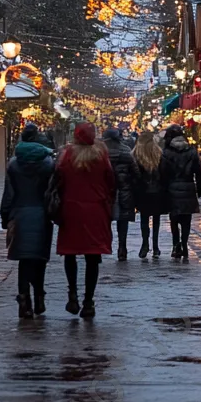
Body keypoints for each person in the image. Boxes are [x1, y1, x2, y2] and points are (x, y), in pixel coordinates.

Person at [54, 121, 114, 318]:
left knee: (70, 254)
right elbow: (111, 180)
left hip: (71, 208)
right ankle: (88, 301)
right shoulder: (101, 155)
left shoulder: (67, 155)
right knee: (92, 257)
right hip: (95, 209)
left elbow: (58, 179)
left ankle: (72, 293)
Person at [0, 123, 55, 319]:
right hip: (41, 215)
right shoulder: (48, 163)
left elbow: (9, 194)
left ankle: (24, 299)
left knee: (24, 261)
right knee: (40, 259)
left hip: (20, 215)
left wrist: (5, 216)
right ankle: (39, 296)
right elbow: (52, 193)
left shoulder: (14, 164)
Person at [160, 124, 201, 261]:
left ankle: (176, 244)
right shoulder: (191, 151)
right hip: (188, 188)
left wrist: (163, 189)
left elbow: (162, 173)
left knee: (174, 219)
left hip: (172, 189)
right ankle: (184, 244)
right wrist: (199, 189)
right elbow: (199, 172)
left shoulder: (166, 152)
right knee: (186, 220)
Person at [102, 126, 136, 260]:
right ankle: (122, 247)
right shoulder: (126, 152)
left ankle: (106, 244)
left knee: (105, 219)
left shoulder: (100, 152)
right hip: (124, 190)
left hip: (105, 191)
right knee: (123, 221)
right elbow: (135, 173)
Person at [131, 130, 165, 258]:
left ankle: (145, 244)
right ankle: (155, 246)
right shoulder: (159, 153)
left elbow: (134, 175)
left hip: (142, 192)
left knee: (144, 219)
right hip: (157, 192)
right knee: (156, 220)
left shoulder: (136, 154)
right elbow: (163, 173)